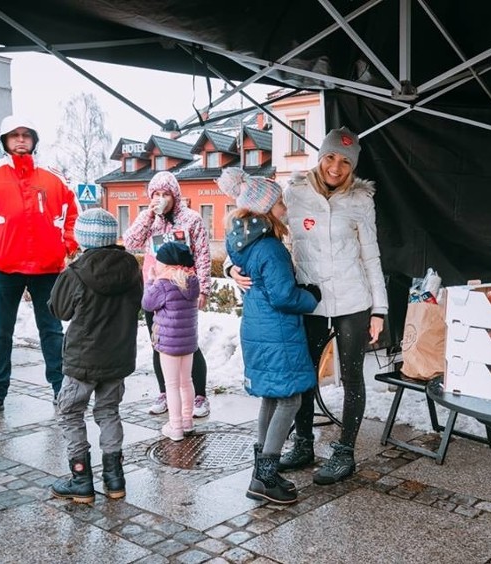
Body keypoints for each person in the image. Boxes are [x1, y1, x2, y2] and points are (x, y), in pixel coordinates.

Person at [230, 127, 388, 485]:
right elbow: (254, 228)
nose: (336, 167)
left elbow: (372, 256)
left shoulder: (362, 201)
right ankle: (303, 444)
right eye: (330, 157)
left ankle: (345, 452)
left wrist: (380, 310)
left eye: (345, 161)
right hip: (308, 299)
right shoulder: (294, 193)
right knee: (302, 376)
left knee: (351, 378)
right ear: (320, 157)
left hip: (352, 300)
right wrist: (231, 267)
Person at [0, 115, 80, 419]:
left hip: (47, 269)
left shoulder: (54, 177)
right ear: (5, 140)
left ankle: (60, 389)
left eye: (27, 134)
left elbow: (74, 216)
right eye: (15, 135)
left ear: (34, 139)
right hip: (3, 268)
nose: (21, 140)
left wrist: (65, 246)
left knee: (52, 331)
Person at [220, 167, 319, 504]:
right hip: (277, 333)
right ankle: (266, 476)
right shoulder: (270, 249)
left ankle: (259, 473)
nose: (284, 210)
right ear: (266, 209)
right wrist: (312, 297)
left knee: (271, 397)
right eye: (280, 205)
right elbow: (284, 296)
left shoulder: (240, 242)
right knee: (291, 398)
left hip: (257, 330)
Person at [48, 208, 143, 503]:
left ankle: (81, 480)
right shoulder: (131, 267)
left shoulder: (76, 272)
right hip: (117, 358)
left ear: (82, 238)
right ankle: (115, 480)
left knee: (70, 412)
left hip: (83, 360)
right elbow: (138, 303)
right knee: (108, 411)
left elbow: (58, 310)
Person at [123, 171, 212, 418]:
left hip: (183, 289)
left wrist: (204, 288)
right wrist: (149, 214)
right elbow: (130, 242)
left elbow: (203, 254)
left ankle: (199, 396)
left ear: (175, 195)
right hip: (155, 289)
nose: (161, 198)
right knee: (158, 343)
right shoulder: (149, 219)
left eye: (165, 194)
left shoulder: (191, 219)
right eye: (156, 194)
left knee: (187, 343)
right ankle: (165, 391)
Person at [142, 241, 200, 442]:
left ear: (166, 265)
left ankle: (175, 426)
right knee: (187, 382)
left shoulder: (162, 284)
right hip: (188, 342)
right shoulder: (192, 282)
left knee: (172, 385)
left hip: (168, 344)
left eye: (158, 262)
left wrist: (150, 281)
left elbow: (147, 304)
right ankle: (187, 421)